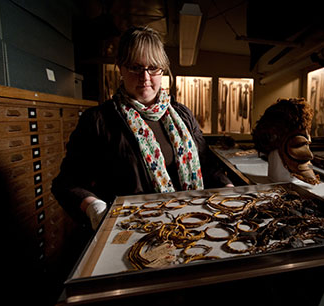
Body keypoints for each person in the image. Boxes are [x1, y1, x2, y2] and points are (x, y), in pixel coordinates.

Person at [52, 26, 233, 230]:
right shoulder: (98, 120)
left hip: (189, 225)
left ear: (162, 69)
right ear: (120, 67)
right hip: (130, 231)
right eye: (135, 67)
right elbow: (67, 183)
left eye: (153, 67)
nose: (145, 78)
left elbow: (207, 166)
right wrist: (94, 206)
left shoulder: (182, 115)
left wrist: (228, 188)